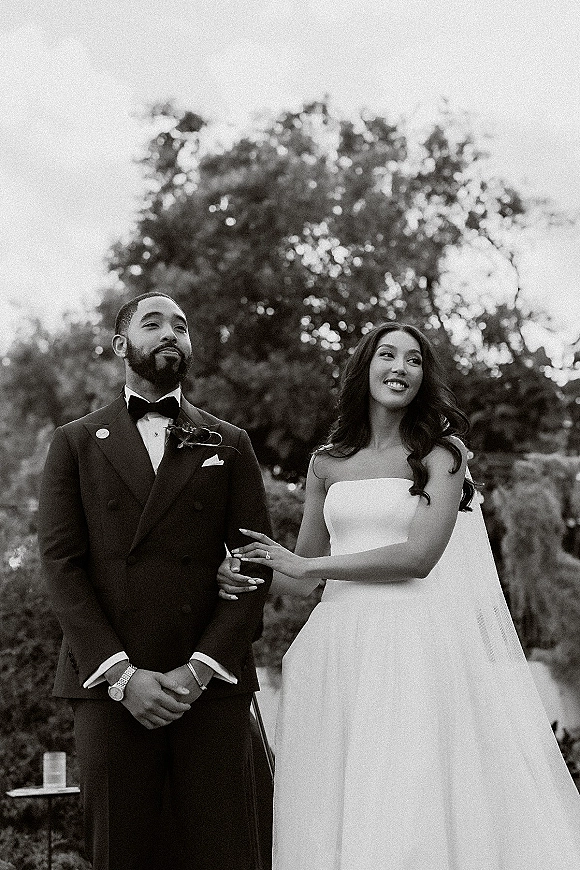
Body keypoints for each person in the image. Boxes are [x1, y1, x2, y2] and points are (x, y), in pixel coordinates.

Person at [218, 322, 580, 870]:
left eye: (413, 360)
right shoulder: (325, 463)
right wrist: (243, 572)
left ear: (423, 378)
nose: (400, 368)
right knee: (340, 801)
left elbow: (418, 557)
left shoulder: (442, 456)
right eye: (387, 355)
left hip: (414, 646)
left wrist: (310, 565)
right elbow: (300, 577)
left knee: (407, 801)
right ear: (364, 369)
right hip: (339, 648)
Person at [37, 292, 273, 870]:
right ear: (122, 345)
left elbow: (255, 561)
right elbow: (62, 568)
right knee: (122, 852)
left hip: (209, 688)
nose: (171, 333)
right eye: (154, 323)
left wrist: (200, 669)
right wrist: (123, 677)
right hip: (110, 690)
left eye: (181, 326)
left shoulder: (229, 442)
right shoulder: (74, 442)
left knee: (225, 852)